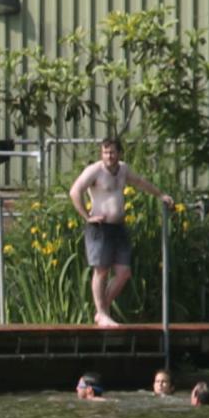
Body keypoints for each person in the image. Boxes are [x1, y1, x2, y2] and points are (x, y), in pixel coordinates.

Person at [67, 139, 172, 329]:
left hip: (119, 227)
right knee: (101, 270)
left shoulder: (123, 169)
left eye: (112, 152)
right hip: (100, 227)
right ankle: (103, 313)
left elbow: (140, 182)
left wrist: (160, 194)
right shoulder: (95, 171)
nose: (109, 156)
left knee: (124, 273)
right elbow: (75, 191)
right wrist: (86, 216)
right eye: (105, 152)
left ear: (120, 153)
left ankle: (102, 310)